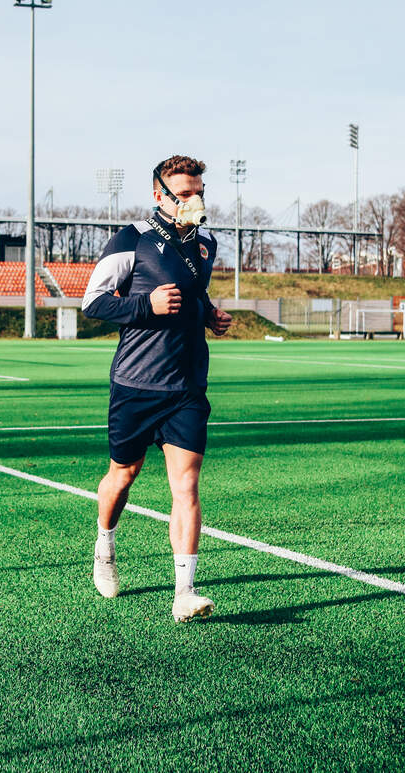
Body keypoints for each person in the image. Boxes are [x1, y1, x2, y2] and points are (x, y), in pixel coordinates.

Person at [81, 155, 233, 622]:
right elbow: (93, 302)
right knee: (122, 476)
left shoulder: (206, 243)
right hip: (136, 384)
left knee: (186, 486)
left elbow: (195, 293)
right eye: (184, 194)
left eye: (199, 192)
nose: (194, 200)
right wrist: (146, 305)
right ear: (159, 195)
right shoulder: (132, 238)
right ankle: (105, 545)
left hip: (187, 386)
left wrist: (210, 314)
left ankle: (184, 592)